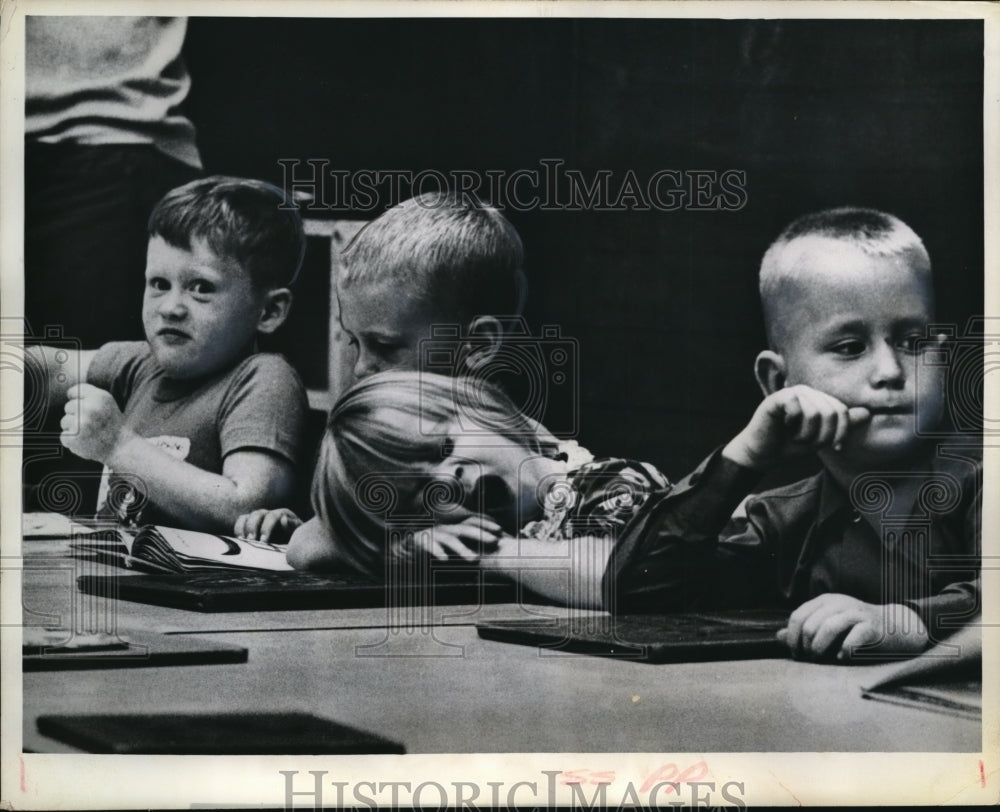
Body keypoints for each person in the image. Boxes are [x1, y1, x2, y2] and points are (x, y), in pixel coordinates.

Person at [607, 207, 981, 662]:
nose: (889, 371)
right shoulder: (786, 522)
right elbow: (638, 595)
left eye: (912, 342)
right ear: (778, 381)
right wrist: (744, 455)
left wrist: (912, 621)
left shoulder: (982, 479)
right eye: (850, 347)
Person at [235, 190, 530, 547]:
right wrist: (298, 525)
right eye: (354, 342)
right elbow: (312, 543)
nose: (361, 369)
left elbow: (316, 547)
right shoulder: (385, 438)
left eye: (385, 346)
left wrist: (342, 540)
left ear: (478, 344)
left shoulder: (509, 450)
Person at [244, 370, 668, 610]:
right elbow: (304, 548)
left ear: (484, 409)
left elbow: (620, 572)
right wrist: (404, 544)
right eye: (420, 494)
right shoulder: (496, 524)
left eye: (444, 447)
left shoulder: (608, 482)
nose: (447, 481)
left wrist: (487, 553)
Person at [26, 176, 309, 532]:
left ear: (269, 311)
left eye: (201, 287)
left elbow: (245, 505)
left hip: (198, 569)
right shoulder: (141, 364)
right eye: (159, 284)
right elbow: (40, 372)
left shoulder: (263, 379)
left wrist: (118, 446)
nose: (170, 308)